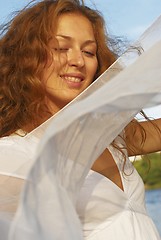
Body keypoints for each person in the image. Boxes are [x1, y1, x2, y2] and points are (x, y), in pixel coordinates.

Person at [0, 0, 161, 239]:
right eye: (61, 48)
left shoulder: (111, 138)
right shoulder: (12, 156)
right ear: (27, 58)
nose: (78, 61)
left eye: (88, 51)